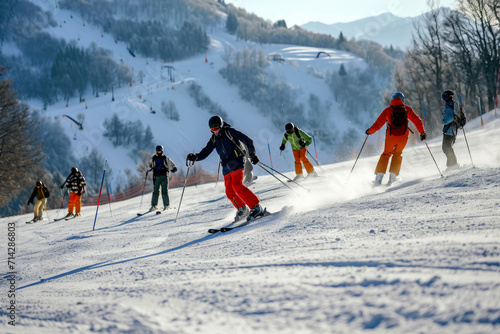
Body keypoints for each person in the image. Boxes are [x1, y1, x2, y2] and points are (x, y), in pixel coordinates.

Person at [186, 115, 264, 221]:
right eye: (212, 130)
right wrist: (195, 157)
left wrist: (252, 154)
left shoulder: (230, 132)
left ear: (221, 125)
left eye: (216, 129)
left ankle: (256, 207)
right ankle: (242, 209)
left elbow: (248, 140)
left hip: (237, 161)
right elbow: (205, 152)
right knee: (229, 191)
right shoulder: (214, 138)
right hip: (226, 167)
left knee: (237, 185)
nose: (215, 131)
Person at [366, 92, 426, 186]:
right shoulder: (407, 109)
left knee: (386, 154)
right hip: (403, 137)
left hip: (391, 136)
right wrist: (422, 132)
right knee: (397, 154)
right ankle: (392, 178)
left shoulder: (388, 110)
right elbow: (417, 121)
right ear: (403, 100)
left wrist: (370, 131)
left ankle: (378, 180)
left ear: (392, 100)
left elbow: (378, 124)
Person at [441, 89, 466, 170]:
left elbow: (447, 120)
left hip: (449, 130)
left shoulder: (449, 106)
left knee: (446, 147)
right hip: (454, 129)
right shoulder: (455, 104)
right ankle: (452, 165)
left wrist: (443, 120)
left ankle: (452, 165)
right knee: (447, 147)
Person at [149, 145, 177, 211]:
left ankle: (166, 205)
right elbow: (151, 165)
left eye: (160, 150)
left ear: (162, 150)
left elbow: (171, 164)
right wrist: (150, 168)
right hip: (156, 177)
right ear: (156, 151)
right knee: (155, 191)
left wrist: (173, 168)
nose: (159, 152)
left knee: (164, 191)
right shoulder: (154, 158)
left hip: (164, 176)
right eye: (158, 150)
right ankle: (154, 206)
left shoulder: (165, 158)